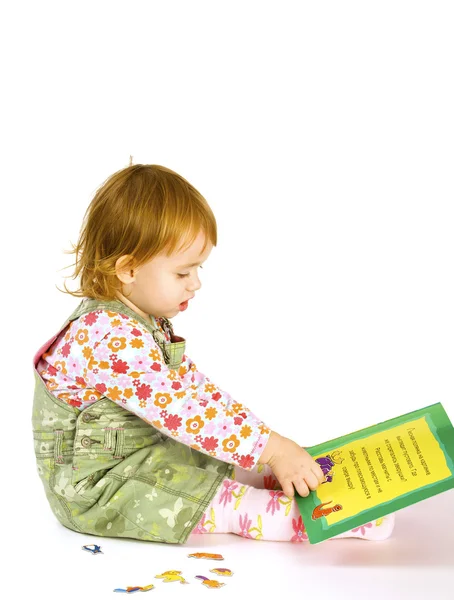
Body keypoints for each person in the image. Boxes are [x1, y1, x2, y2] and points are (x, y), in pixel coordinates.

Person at [32, 161, 395, 544]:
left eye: (198, 269)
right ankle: (334, 518)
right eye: (182, 273)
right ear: (128, 269)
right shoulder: (107, 337)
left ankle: (288, 479)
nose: (197, 284)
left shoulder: (140, 324)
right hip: (100, 490)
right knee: (228, 504)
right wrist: (270, 448)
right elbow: (182, 410)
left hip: (144, 457)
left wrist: (267, 447)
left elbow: (198, 394)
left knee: (219, 461)